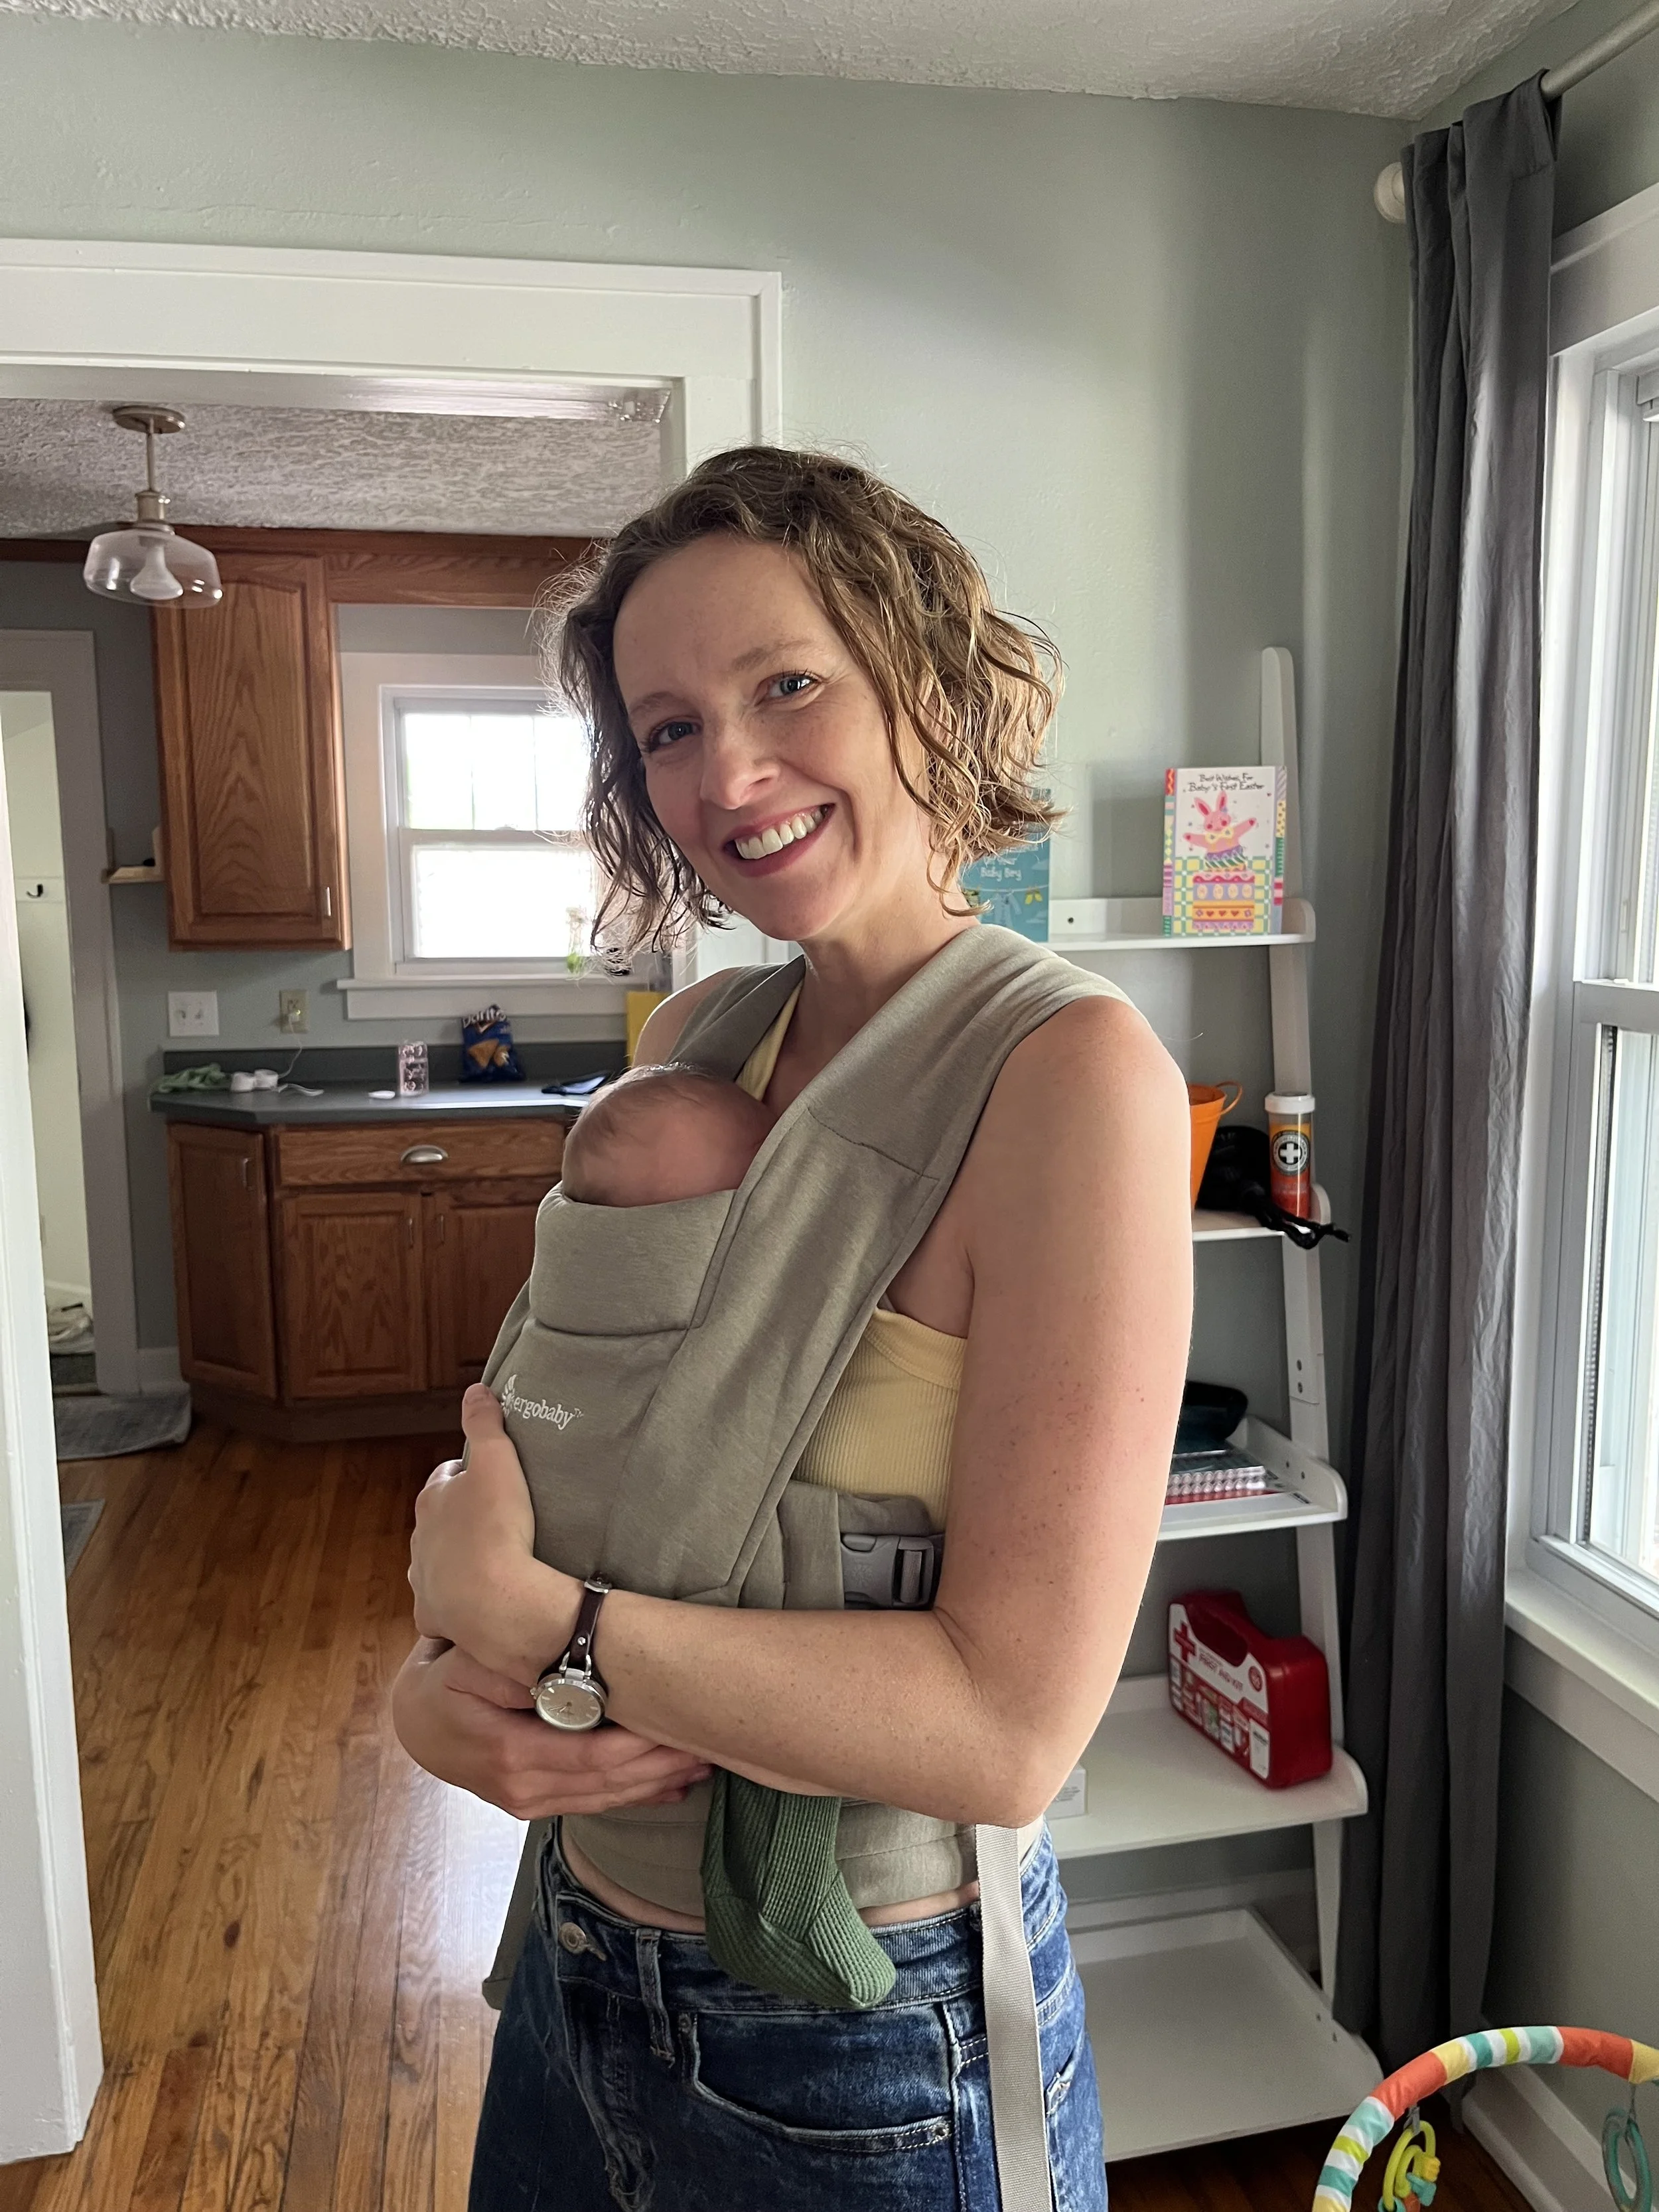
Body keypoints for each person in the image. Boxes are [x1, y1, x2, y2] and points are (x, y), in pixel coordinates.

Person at [392, 446, 1192, 2211]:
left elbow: (1006, 1729)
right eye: (667, 727)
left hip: (857, 2038)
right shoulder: (700, 1039)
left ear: (915, 674)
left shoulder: (1067, 1080)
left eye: (784, 686)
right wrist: (439, 1694)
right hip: (578, 1958)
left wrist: (549, 1627)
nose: (727, 773)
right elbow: (546, 1447)